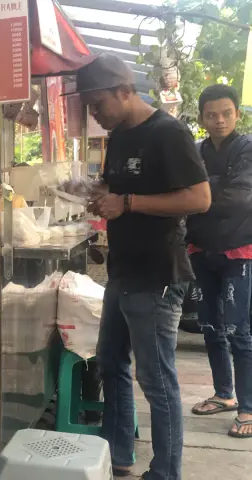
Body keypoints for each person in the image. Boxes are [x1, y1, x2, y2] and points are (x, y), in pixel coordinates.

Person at [78, 54, 211, 480]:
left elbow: (199, 198)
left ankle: (166, 471)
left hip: (157, 274)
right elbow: (114, 188)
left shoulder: (168, 133)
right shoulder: (118, 136)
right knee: (110, 360)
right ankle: (116, 454)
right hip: (123, 270)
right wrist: (90, 191)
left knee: (156, 380)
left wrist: (128, 203)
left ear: (124, 90)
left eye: (97, 103)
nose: (94, 113)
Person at [186, 84, 252, 438]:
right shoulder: (197, 151)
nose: (220, 119)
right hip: (201, 250)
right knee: (210, 326)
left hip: (238, 251)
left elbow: (240, 199)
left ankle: (248, 407)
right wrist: (215, 186)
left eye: (226, 112)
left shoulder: (248, 148)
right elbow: (185, 192)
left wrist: (201, 193)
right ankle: (224, 394)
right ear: (201, 118)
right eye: (212, 114)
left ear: (237, 114)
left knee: (239, 331)